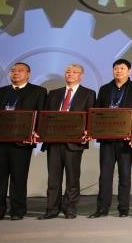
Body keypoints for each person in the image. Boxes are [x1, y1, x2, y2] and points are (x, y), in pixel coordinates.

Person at [89, 58, 132, 218]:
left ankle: (123, 208)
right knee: (105, 175)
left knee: (125, 175)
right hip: (107, 139)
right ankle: (102, 208)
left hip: (126, 140)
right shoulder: (105, 89)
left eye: (122, 68)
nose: (118, 71)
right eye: (116, 68)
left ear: (129, 71)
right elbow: (97, 112)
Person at [0, 62, 47, 221]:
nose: (16, 73)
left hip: (22, 143)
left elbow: (41, 115)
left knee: (19, 177)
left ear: (28, 74)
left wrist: (37, 132)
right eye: (13, 70)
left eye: (20, 70)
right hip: (0, 143)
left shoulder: (38, 91)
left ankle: (17, 210)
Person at [40, 64, 96, 219]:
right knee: (53, 178)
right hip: (54, 141)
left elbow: (91, 116)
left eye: (74, 72)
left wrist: (88, 131)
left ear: (81, 76)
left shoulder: (88, 93)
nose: (70, 74)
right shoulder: (54, 93)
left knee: (72, 178)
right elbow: (46, 116)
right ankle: (52, 209)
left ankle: (70, 208)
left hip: (74, 142)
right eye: (68, 72)